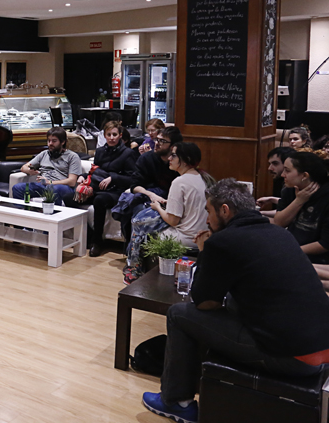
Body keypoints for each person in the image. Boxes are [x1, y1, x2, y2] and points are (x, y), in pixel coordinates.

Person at [141, 179, 329, 423]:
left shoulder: (223, 242)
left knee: (178, 314)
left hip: (293, 357)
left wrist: (205, 251)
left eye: (209, 211)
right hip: (321, 345)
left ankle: (176, 401)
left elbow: (204, 303)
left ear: (225, 210)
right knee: (231, 304)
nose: (207, 219)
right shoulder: (278, 233)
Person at [124, 142, 208, 284]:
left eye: (173, 155)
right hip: (201, 235)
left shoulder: (179, 182)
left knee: (139, 225)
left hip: (185, 237)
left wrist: (158, 208)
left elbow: (173, 220)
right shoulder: (202, 177)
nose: (169, 158)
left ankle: (134, 270)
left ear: (185, 159)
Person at [114, 126, 183, 244]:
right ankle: (133, 253)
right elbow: (134, 186)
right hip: (148, 197)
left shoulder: (180, 162)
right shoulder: (146, 158)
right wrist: (151, 195)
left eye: (162, 141)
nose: (156, 143)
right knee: (136, 207)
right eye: (157, 139)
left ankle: (136, 254)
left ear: (173, 146)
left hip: (171, 201)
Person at [85, 121, 138, 257]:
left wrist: (113, 178)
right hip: (98, 187)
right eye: (109, 134)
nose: (112, 137)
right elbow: (94, 171)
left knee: (99, 200)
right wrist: (83, 178)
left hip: (117, 191)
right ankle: (87, 235)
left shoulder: (127, 153)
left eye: (114, 134)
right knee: (70, 196)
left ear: (120, 136)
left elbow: (132, 179)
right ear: (104, 135)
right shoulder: (101, 151)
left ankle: (97, 241)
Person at [273, 151, 329, 263]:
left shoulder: (326, 196)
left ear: (304, 175)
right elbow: (279, 222)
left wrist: (292, 250)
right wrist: (299, 200)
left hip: (317, 259)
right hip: (292, 246)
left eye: (287, 170)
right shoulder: (290, 188)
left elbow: (325, 244)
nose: (283, 174)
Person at [11, 127, 82, 205]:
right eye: (49, 141)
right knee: (17, 188)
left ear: (63, 142)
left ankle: (53, 215)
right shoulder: (44, 154)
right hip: (43, 186)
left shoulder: (72, 156)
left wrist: (50, 182)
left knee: (52, 188)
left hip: (62, 187)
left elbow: (72, 182)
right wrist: (29, 170)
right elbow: (24, 167)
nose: (50, 143)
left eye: (54, 141)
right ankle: (24, 213)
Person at [254, 146, 296, 217]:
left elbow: (286, 213)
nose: (269, 168)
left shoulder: (293, 184)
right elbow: (288, 203)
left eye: (275, 164)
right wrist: (271, 199)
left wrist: (259, 213)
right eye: (270, 164)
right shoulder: (282, 181)